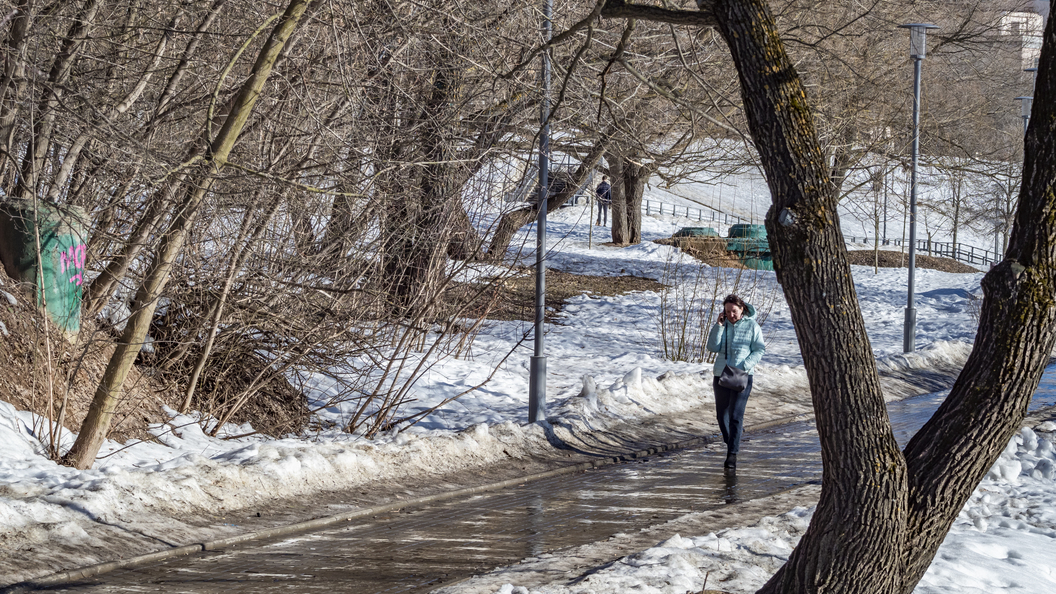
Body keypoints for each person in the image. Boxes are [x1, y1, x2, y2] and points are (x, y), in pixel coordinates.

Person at [705, 294, 765, 472]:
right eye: (728, 311)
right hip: (721, 374)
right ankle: (731, 440)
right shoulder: (722, 325)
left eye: (734, 311)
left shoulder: (752, 326)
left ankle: (732, 453)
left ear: (742, 310)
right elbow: (712, 347)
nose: (731, 314)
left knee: (735, 416)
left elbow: (759, 349)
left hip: (742, 375)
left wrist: (745, 365)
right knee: (721, 415)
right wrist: (719, 326)